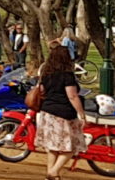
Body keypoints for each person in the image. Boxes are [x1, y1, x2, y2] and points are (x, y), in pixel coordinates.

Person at [36, 45, 87, 179]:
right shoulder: (67, 76)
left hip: (47, 112)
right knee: (72, 146)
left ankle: (52, 175)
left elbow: (42, 91)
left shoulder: (46, 74)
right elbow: (72, 96)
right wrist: (81, 114)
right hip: (64, 114)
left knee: (53, 146)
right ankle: (53, 172)